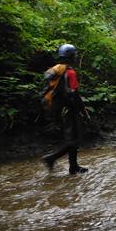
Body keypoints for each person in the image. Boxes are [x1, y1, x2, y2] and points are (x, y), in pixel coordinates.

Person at [41, 43, 89, 174]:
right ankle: (51, 158)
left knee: (72, 138)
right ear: (71, 56)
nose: (76, 57)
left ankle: (73, 166)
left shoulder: (56, 69)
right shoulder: (70, 72)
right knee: (73, 140)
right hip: (69, 109)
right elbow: (74, 93)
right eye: (75, 55)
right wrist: (83, 112)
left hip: (58, 108)